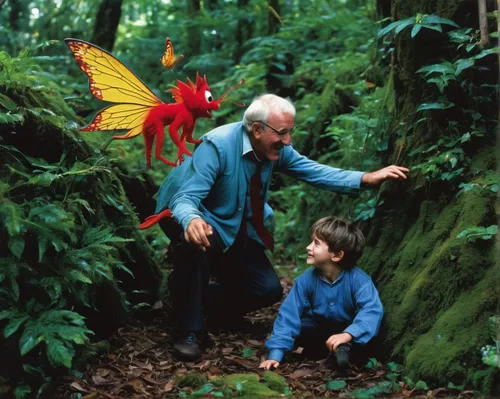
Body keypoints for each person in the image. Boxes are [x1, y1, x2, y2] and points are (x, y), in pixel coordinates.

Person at [155, 94, 408, 361]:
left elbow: (314, 171)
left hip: (237, 224)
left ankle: (187, 295)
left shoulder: (274, 149)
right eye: (282, 133)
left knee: (266, 289)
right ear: (256, 129)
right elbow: (184, 198)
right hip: (195, 216)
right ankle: (190, 331)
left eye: (291, 132)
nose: (288, 141)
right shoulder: (217, 146)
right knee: (197, 244)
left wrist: (366, 178)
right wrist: (192, 219)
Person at [259, 216, 383, 371]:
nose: (308, 247)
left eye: (316, 243)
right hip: (317, 330)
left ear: (337, 255)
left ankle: (343, 351)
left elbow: (372, 310)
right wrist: (274, 355)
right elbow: (288, 316)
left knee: (365, 338)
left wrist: (349, 334)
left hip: (347, 332)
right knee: (302, 327)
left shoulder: (359, 280)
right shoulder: (306, 281)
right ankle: (322, 351)